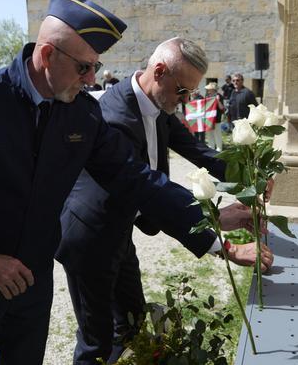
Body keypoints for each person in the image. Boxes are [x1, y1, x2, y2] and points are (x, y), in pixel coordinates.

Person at [0, 0, 259, 364]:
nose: (91, 80)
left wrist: (214, 230)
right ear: (47, 54)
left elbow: (135, 178)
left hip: (29, 284)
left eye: (96, 67)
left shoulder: (82, 114)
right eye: (83, 67)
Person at [58, 39, 273, 364]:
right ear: (159, 72)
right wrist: (222, 240)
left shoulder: (159, 104)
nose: (186, 101)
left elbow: (198, 151)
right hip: (90, 239)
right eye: (183, 91)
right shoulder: (116, 118)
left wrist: (252, 175)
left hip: (119, 232)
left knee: (131, 325)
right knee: (95, 343)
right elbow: (149, 192)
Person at [204, 82, 225, 151]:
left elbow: (222, 108)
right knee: (210, 136)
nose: (208, 91)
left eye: (209, 89)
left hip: (216, 119)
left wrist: (218, 100)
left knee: (217, 136)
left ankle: (219, 150)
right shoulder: (207, 96)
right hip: (208, 119)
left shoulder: (219, 96)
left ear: (213, 89)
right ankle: (211, 149)